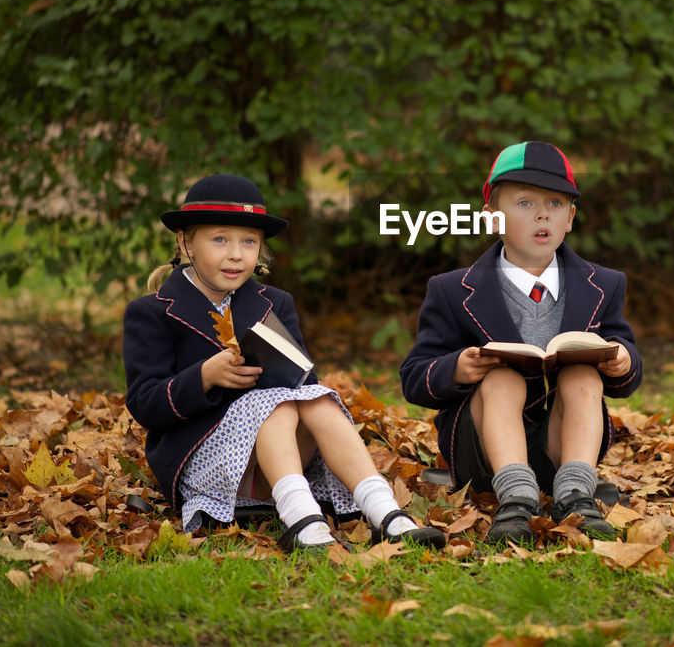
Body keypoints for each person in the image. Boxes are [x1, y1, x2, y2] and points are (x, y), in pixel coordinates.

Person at [124, 174, 445, 552]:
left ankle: (386, 512)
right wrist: (204, 377)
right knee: (273, 404)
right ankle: (303, 522)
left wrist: (293, 381)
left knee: (317, 397)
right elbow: (145, 404)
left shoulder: (274, 303)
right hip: (204, 464)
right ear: (185, 242)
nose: (236, 254)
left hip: (276, 461)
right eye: (219, 239)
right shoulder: (152, 311)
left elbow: (302, 377)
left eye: (249, 242)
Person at [400, 142, 643, 543]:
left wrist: (622, 361)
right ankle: (515, 501)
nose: (543, 213)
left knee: (582, 372)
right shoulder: (451, 290)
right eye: (525, 203)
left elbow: (624, 359)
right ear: (493, 219)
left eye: (555, 203)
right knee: (502, 379)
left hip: (563, 449)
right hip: (485, 456)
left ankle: (578, 494)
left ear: (570, 219)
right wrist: (457, 367)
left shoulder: (603, 284)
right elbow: (414, 376)